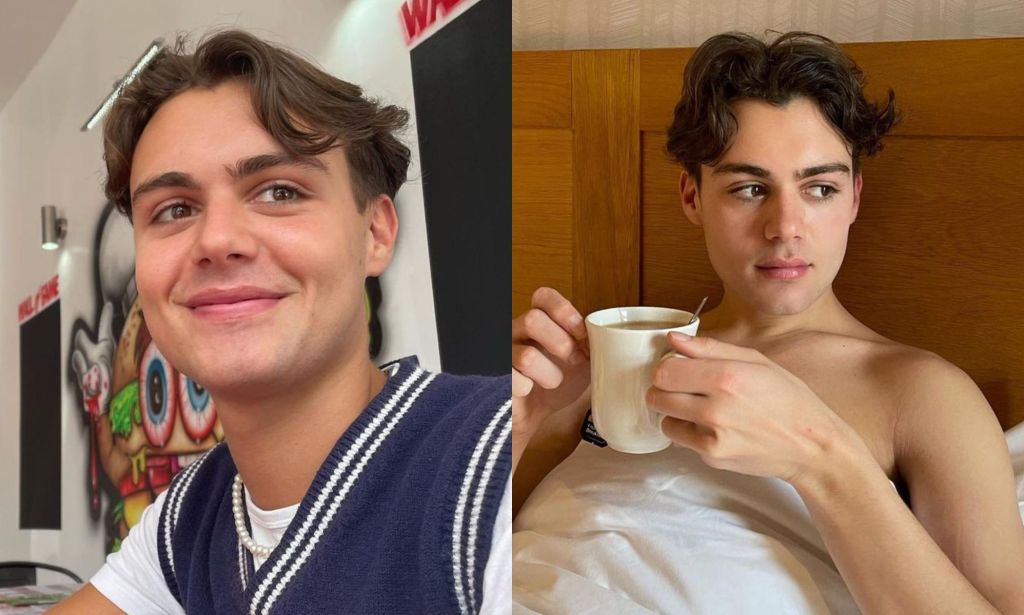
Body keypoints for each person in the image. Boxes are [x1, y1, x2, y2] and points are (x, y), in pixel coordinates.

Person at [511, 31, 1024, 614]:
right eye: (750, 188)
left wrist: (821, 457)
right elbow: (453, 554)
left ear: (854, 199)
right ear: (692, 196)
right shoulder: (609, 360)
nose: (785, 227)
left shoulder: (920, 392)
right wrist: (523, 425)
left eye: (820, 188)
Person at [54, 29, 511, 614]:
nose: (217, 240)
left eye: (278, 192)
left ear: (375, 233)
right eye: (174, 209)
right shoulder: (188, 520)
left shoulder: (486, 461)